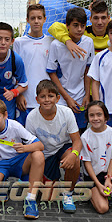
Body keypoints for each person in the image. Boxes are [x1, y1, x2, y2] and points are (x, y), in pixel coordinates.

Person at [0, 99, 44, 219]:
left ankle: (31, 199)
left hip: (19, 161)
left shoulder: (15, 126)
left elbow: (40, 145)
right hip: (1, 163)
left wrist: (25, 147)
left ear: (5, 115)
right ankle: (2, 185)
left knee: (38, 155)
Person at [26, 80, 82, 213]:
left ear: (57, 98)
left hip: (62, 148)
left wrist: (73, 155)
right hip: (44, 153)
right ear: (37, 99)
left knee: (75, 159)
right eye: (42, 96)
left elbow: (77, 141)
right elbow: (31, 147)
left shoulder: (67, 112)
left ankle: (68, 194)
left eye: (50, 96)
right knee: (48, 196)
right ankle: (47, 182)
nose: (47, 100)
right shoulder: (31, 117)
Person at [47, 7, 95, 132]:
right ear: (67, 26)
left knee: (80, 132)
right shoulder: (56, 44)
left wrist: (86, 94)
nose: (79, 29)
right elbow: (52, 73)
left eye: (82, 25)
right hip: (62, 97)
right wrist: (67, 98)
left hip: (80, 96)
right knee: (62, 132)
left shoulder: (88, 42)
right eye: (75, 25)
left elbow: (87, 70)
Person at [13, 4, 53, 126]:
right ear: (27, 20)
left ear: (45, 19)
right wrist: (18, 94)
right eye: (33, 18)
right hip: (26, 100)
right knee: (25, 138)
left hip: (46, 100)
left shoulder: (52, 42)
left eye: (39, 18)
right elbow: (15, 71)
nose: (36, 21)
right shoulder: (19, 42)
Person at [0, 22, 28, 120]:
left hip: (7, 99)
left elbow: (24, 84)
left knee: (6, 126)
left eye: (7, 39)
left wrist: (14, 93)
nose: (3, 42)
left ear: (12, 41)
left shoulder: (16, 59)